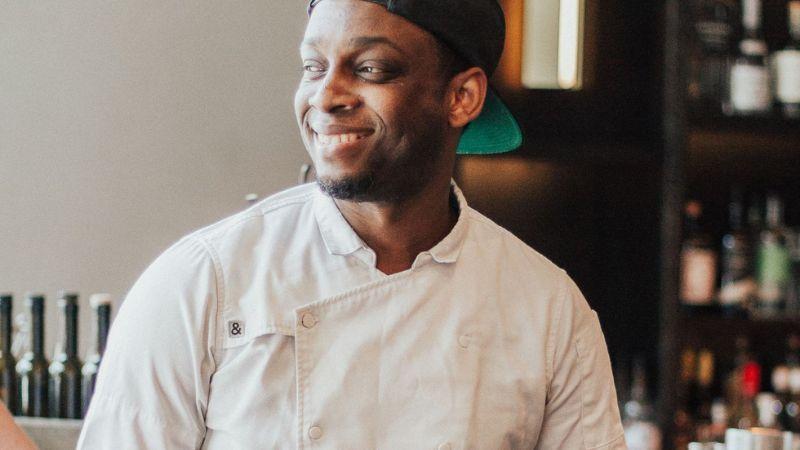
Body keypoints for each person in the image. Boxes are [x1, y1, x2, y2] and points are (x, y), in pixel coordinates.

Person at [78, 0, 626, 448]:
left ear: (462, 96)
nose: (326, 95)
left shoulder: (550, 311)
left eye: (370, 69)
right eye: (313, 68)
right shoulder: (202, 282)